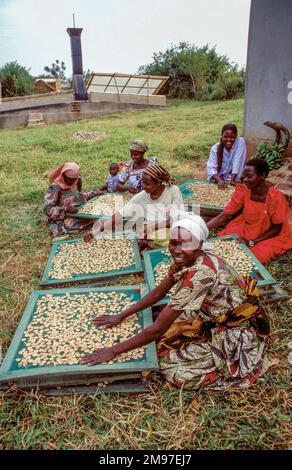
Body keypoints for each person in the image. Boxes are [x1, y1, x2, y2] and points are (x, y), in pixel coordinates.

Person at [81, 214, 274, 390]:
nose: (177, 249)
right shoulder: (188, 260)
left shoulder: (200, 275)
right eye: (173, 243)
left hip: (234, 330)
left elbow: (157, 329)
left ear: (199, 244)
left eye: (185, 243)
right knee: (170, 322)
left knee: (171, 368)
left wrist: (112, 351)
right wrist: (121, 316)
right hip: (210, 313)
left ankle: (223, 365)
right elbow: (158, 293)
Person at [207, 158, 292, 264]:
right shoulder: (244, 190)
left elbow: (277, 228)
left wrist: (252, 242)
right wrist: (201, 229)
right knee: (224, 240)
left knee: (253, 256)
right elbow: (222, 217)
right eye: (244, 176)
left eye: (249, 176)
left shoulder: (275, 197)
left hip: (269, 234)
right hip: (248, 227)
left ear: (262, 176)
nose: (245, 179)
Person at [84, 164, 184, 252]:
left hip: (169, 227)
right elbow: (119, 215)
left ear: (158, 183)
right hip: (149, 231)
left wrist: (151, 228)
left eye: (147, 184)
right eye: (142, 182)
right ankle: (149, 244)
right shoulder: (141, 197)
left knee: (179, 237)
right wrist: (95, 232)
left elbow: (175, 220)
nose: (143, 186)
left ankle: (148, 244)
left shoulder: (173, 191)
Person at [44, 162, 104, 236]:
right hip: (61, 215)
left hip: (76, 211)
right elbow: (47, 209)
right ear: (63, 175)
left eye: (73, 180)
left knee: (98, 210)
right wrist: (65, 209)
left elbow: (77, 196)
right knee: (70, 224)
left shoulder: (76, 181)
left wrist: (92, 194)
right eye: (68, 179)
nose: (70, 182)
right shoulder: (55, 188)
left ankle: (89, 220)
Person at [207, 123, 246, 189]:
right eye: (225, 137)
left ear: (236, 136)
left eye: (232, 137)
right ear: (222, 136)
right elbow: (211, 168)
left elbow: (238, 161)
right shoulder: (215, 148)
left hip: (233, 176)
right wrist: (219, 180)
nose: (229, 140)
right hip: (217, 177)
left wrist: (233, 180)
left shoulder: (240, 142)